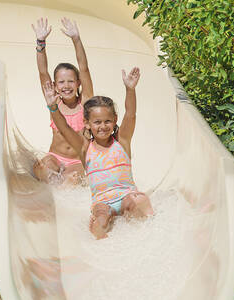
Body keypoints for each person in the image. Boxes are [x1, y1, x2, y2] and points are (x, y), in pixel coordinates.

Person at [42, 67, 154, 239]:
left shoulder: (121, 142)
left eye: (107, 121)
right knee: (100, 220)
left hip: (126, 195)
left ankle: (146, 235)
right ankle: (102, 244)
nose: (103, 126)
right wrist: (52, 107)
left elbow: (130, 114)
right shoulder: (85, 148)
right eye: (97, 122)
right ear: (86, 123)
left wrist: (130, 89)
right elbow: (64, 128)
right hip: (102, 202)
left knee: (138, 202)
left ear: (115, 120)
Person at [31, 17, 93, 184]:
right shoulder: (54, 102)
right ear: (55, 86)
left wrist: (76, 39)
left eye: (71, 81)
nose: (66, 86)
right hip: (55, 157)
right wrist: (40, 42)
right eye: (61, 82)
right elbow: (43, 72)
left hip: (77, 161)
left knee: (71, 181)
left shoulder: (86, 103)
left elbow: (84, 68)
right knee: (43, 169)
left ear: (78, 83)